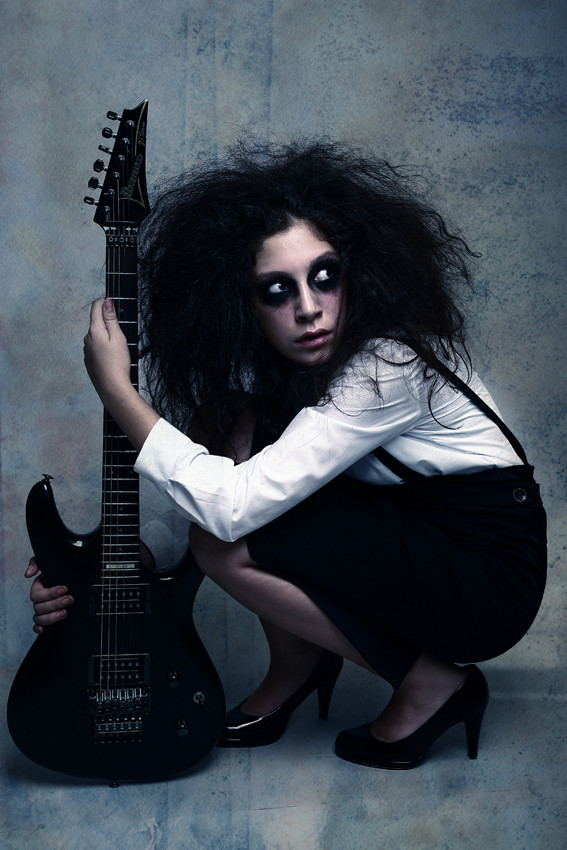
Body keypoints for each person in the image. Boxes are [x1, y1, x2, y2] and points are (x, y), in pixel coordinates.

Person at [25, 142, 547, 770]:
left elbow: (227, 508)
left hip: (485, 578)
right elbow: (207, 483)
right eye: (277, 290)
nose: (308, 308)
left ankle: (429, 682)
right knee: (230, 431)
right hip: (421, 538)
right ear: (242, 304)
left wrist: (117, 391)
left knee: (224, 536)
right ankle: (301, 662)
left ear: (357, 273)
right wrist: (101, 571)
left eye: (325, 276)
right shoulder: (295, 377)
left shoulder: (388, 365)